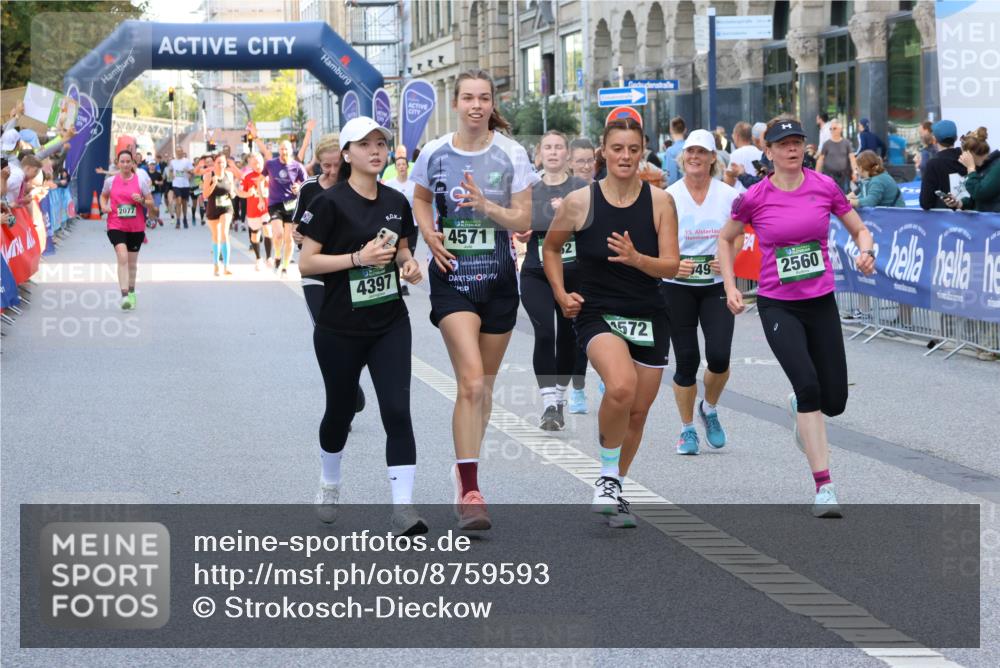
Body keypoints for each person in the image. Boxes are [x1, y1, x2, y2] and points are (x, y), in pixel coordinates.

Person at [718, 117, 876, 519]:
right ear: (767, 151)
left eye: (797, 142)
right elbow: (726, 237)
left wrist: (866, 251)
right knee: (808, 387)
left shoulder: (824, 187)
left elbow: (858, 229)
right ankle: (824, 486)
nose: (791, 149)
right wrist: (731, 286)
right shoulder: (755, 196)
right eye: (782, 143)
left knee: (834, 400)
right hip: (778, 304)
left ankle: (800, 406)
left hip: (820, 301)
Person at [411, 69, 538, 531]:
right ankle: (470, 489)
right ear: (457, 103)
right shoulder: (434, 153)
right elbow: (421, 200)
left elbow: (524, 215)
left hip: (500, 281)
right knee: (468, 382)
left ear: (491, 104)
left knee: (483, 387)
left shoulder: (511, 153)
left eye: (484, 98)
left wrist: (487, 206)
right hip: (452, 279)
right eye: (468, 98)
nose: (476, 106)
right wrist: (429, 234)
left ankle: (463, 466)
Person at [543, 117, 679, 528]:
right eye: (617, 148)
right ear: (604, 151)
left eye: (633, 149)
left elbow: (671, 264)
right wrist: (561, 293)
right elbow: (551, 250)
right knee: (620, 386)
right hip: (597, 312)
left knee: (637, 412)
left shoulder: (660, 203)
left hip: (650, 315)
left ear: (642, 153)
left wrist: (639, 259)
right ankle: (604, 476)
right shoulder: (580, 202)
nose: (625, 156)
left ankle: (616, 485)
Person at [298, 116, 426, 536]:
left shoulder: (396, 200)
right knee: (338, 411)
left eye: (381, 144)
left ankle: (403, 508)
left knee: (396, 410)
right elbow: (308, 262)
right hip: (338, 327)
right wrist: (357, 259)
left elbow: (403, 249)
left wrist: (409, 266)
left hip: (389, 321)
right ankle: (330, 482)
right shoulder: (328, 203)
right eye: (365, 144)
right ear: (347, 153)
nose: (376, 150)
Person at [663, 129, 740, 456]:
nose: (694, 157)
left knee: (720, 356)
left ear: (712, 158)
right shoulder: (670, 195)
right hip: (677, 287)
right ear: (683, 158)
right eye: (690, 151)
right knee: (687, 360)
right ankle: (686, 430)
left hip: (714, 287)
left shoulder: (727, 195)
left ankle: (708, 408)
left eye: (701, 152)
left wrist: (729, 261)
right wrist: (672, 264)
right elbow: (656, 239)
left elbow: (736, 235)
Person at [291, 133, 368, 421]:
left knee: (356, 335)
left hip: (350, 272)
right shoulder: (310, 189)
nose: (332, 172)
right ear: (318, 164)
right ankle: (342, 401)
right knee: (327, 333)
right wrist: (297, 233)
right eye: (326, 166)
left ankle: (348, 382)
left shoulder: (357, 187)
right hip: (316, 272)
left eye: (337, 165)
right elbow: (297, 226)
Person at [517, 130, 589, 429]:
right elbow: (518, 225)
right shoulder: (529, 189)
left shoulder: (581, 188)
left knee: (569, 337)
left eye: (559, 147)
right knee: (545, 333)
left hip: (574, 273)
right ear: (540, 154)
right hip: (536, 272)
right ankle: (548, 404)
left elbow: (592, 228)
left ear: (567, 155)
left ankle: (560, 397)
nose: (554, 152)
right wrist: (522, 229)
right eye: (548, 147)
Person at [99, 150, 154, 310]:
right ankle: (124, 296)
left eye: (128, 161)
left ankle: (131, 292)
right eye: (122, 161)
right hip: (116, 224)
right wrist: (104, 206)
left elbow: (151, 203)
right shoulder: (110, 181)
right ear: (117, 163)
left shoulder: (140, 181)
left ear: (132, 163)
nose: (125, 164)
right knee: (122, 257)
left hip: (136, 227)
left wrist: (143, 201)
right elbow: (103, 196)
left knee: (132, 264)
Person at [261, 140, 307, 277]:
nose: (283, 152)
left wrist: (299, 187)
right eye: (281, 149)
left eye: (286, 149)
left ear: (291, 150)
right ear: (278, 150)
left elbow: (306, 182)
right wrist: (260, 196)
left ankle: (285, 267)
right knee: (278, 234)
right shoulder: (270, 164)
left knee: (289, 238)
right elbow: (260, 179)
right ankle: (277, 256)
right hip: (274, 203)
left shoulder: (297, 166)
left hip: (291, 205)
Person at [382, 144, 418, 290]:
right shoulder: (390, 184)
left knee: (408, 251)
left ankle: (403, 282)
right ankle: (394, 279)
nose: (402, 167)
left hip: (412, 223)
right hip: (394, 225)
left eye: (404, 164)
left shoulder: (414, 184)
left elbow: (420, 203)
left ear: (407, 167)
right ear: (395, 167)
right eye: (399, 164)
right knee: (391, 252)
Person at [203, 153, 242, 276]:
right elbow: (205, 195)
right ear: (214, 163)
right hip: (213, 207)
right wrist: (213, 184)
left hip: (226, 207)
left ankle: (226, 266)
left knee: (225, 232)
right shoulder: (208, 175)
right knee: (216, 236)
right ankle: (216, 265)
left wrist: (234, 193)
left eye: (223, 162)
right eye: (219, 162)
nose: (221, 165)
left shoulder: (229, 175)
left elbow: (232, 191)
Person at [944, 127, 1000, 213]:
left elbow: (980, 193)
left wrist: (970, 169)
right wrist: (959, 203)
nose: (962, 157)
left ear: (970, 153)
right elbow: (976, 199)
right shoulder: (983, 167)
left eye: (964, 154)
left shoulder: (997, 166)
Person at [919, 120, 967, 210]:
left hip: (945, 220)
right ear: (956, 138)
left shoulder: (933, 164)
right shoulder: (967, 158)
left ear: (935, 139)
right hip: (972, 216)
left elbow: (925, 202)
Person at [237, 152, 274, 270]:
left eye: (258, 162)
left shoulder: (270, 175)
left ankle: (269, 257)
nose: (257, 165)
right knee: (255, 236)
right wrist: (248, 193)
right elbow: (240, 193)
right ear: (250, 165)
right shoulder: (247, 176)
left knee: (267, 229)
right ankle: (258, 259)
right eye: (254, 163)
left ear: (262, 161)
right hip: (253, 210)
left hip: (267, 209)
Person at [816, 119, 856, 193]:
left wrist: (855, 171)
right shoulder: (826, 144)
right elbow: (820, 160)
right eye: (830, 129)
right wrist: (817, 175)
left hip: (844, 176)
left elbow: (852, 158)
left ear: (840, 129)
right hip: (829, 176)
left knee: (844, 196)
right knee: (829, 195)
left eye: (834, 128)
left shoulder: (846, 143)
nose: (832, 130)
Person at [169, 148, 194, 228]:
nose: (179, 153)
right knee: (178, 201)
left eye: (180, 152)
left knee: (184, 203)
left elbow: (192, 172)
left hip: (185, 185)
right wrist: (171, 175)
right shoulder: (172, 162)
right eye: (177, 152)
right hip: (176, 184)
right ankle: (178, 220)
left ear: (183, 152)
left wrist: (188, 171)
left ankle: (185, 218)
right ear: (175, 153)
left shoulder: (187, 161)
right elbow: (170, 171)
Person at [664, 116, 687, 185]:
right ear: (685, 130)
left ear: (671, 130)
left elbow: (672, 179)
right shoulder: (691, 147)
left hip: (679, 191)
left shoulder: (670, 151)